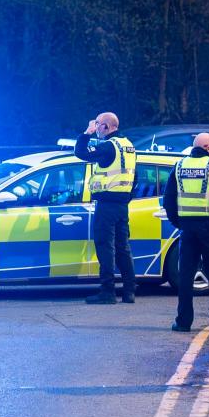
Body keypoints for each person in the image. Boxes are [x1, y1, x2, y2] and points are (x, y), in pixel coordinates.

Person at [164, 133, 209, 332]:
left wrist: (178, 222)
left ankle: (183, 322)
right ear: (208, 147)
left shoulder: (179, 166)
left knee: (185, 275)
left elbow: (168, 199)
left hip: (187, 227)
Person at [74, 112, 138, 304]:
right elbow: (136, 176)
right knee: (122, 248)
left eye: (98, 124)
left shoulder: (109, 146)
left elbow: (81, 153)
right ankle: (129, 292)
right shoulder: (128, 145)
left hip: (107, 205)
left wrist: (86, 133)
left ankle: (108, 292)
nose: (96, 129)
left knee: (105, 247)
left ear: (106, 127)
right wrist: (126, 197)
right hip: (122, 204)